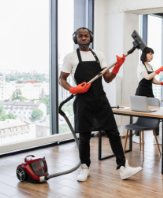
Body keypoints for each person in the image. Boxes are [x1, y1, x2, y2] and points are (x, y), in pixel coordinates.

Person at [59, 27, 142, 181]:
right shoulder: (70, 57)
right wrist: (73, 88)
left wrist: (117, 67)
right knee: (84, 137)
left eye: (86, 36)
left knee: (113, 133)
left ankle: (123, 167)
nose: (83, 38)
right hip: (83, 102)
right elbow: (61, 79)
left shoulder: (99, 55)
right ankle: (85, 168)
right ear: (75, 39)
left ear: (90, 37)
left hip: (100, 99)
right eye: (80, 36)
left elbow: (108, 78)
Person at [133, 47, 163, 144]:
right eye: (150, 54)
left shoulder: (150, 67)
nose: (152, 56)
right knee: (140, 114)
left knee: (155, 113)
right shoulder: (141, 66)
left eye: (152, 54)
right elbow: (147, 77)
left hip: (149, 92)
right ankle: (136, 136)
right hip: (141, 92)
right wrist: (159, 70)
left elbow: (154, 81)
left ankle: (157, 137)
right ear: (145, 54)